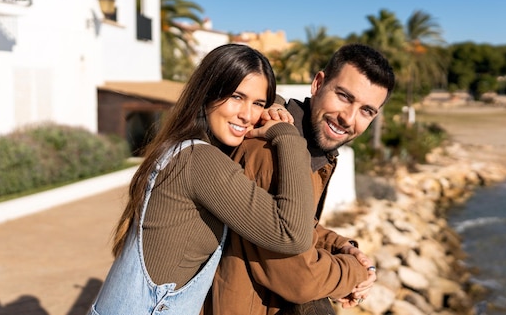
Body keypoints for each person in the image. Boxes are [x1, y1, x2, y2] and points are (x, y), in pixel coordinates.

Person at [88, 44, 315, 315]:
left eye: (257, 104)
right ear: (207, 93)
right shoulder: (200, 161)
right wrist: (287, 135)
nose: (247, 115)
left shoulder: (179, 147)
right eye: (235, 97)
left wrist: (272, 104)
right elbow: (292, 234)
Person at [206, 43, 396, 315]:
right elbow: (297, 275)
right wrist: (356, 272)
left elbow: (295, 225)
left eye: (366, 110)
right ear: (318, 84)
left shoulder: (317, 153)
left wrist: (342, 247)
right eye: (343, 96)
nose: (348, 118)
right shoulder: (270, 150)